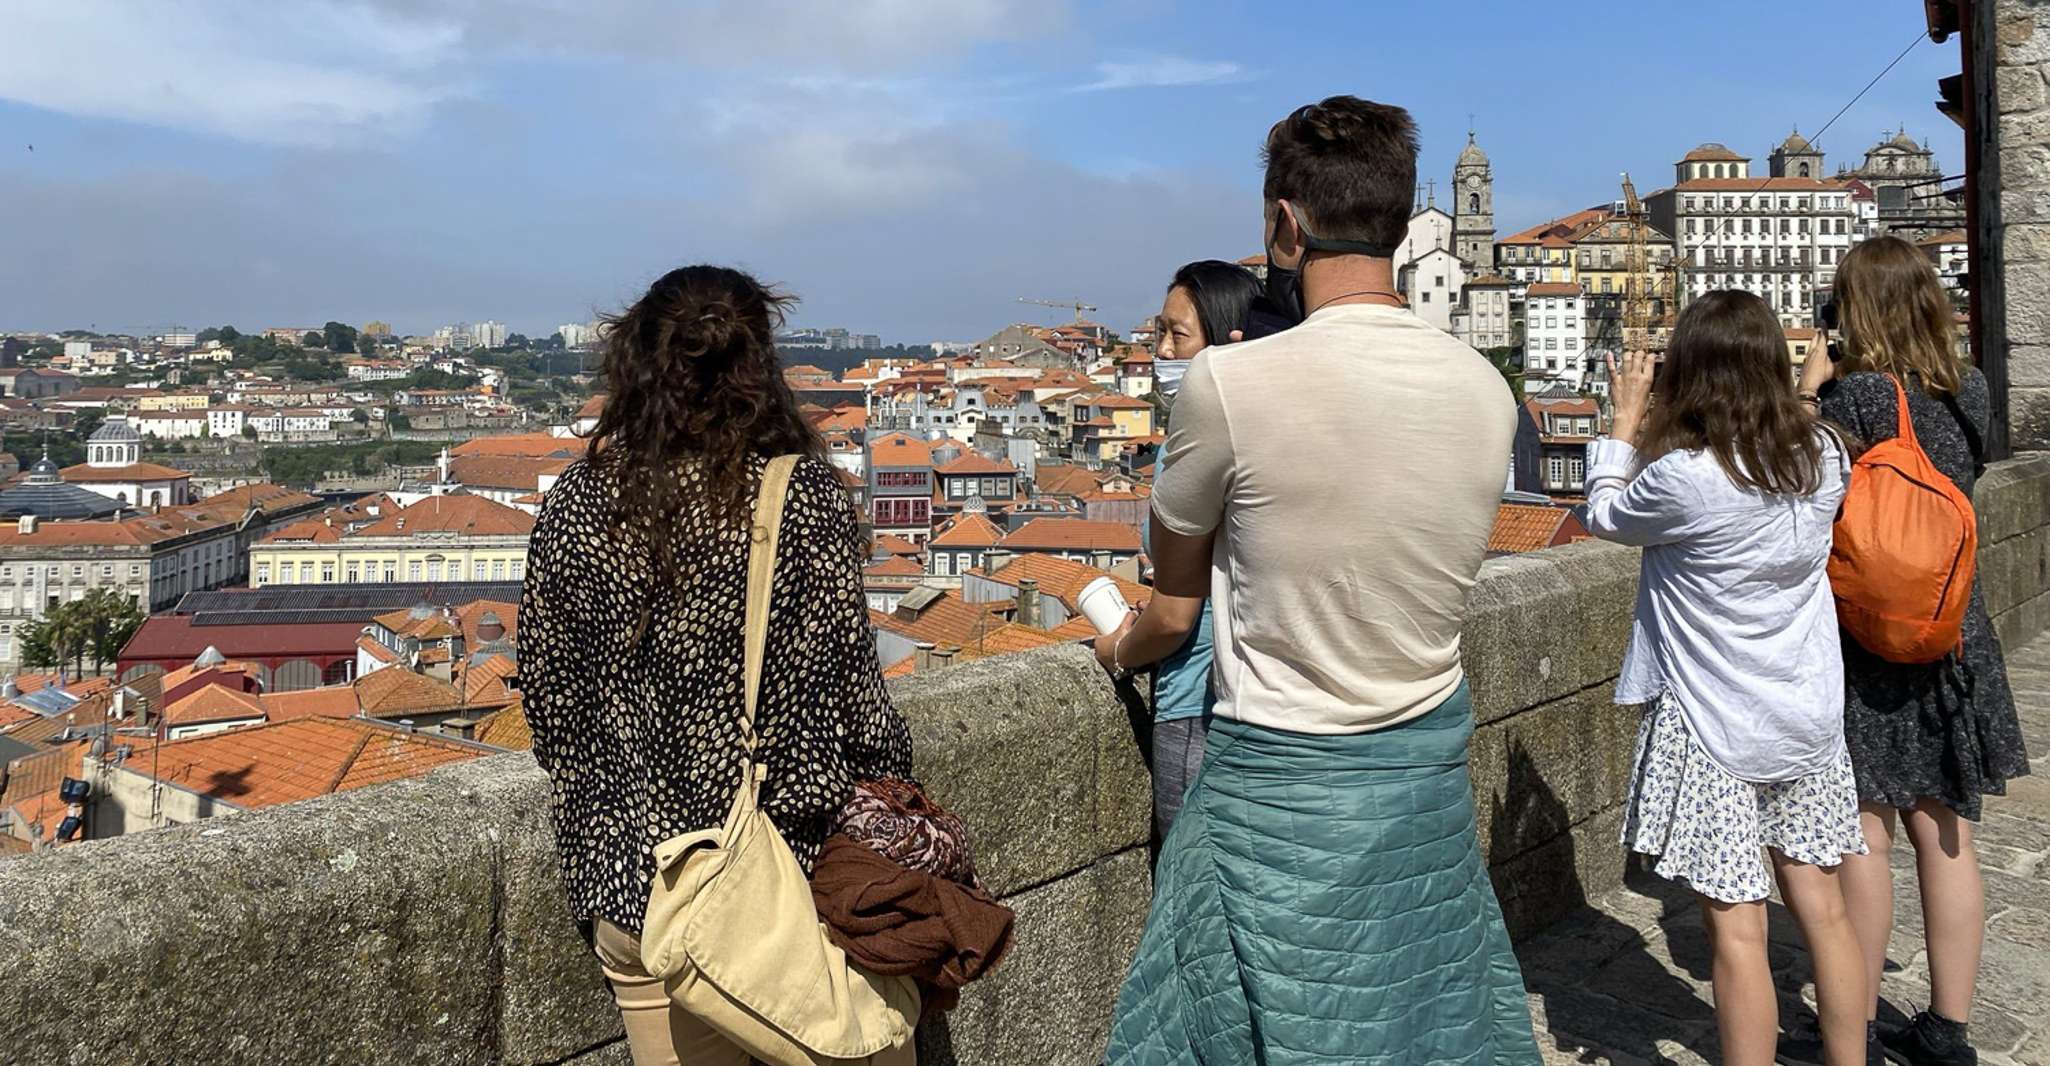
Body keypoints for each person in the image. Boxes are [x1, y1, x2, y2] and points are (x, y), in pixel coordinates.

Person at [1096, 96, 1539, 1065]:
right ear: (1401, 213)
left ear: (1284, 225)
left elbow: (1173, 602)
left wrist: (1116, 646)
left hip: (1273, 808)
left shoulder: (1228, 387)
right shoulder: (1487, 394)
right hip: (1421, 798)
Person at [519, 265, 915, 1066]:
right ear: (758, 367)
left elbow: (551, 702)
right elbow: (857, 706)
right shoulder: (798, 498)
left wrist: (626, 799)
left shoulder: (578, 499)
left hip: (637, 888)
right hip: (778, 882)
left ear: (634, 360)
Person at [1586, 291, 1868, 1066]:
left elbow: (1603, 515)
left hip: (1714, 724)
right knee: (1826, 910)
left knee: (1739, 929)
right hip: (1804, 712)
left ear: (1693, 374)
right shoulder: (1825, 456)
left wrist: (1623, 419)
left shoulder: (1686, 479)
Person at [1799, 235, 2029, 1066]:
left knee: (1866, 834)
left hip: (1866, 639)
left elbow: (1798, 491)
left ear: (1851, 310)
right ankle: (1947, 1032)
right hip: (1952, 628)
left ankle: (1850, 1028)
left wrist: (1809, 391)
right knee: (1947, 831)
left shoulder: (1855, 400)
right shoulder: (1970, 389)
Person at [1140, 259, 1259, 838]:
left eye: (1176, 335)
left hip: (1194, 694)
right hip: (1249, 693)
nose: (1160, 350)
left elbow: (1175, 614)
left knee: (1189, 875)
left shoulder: (1194, 447)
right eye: (1157, 333)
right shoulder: (1260, 434)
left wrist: (1115, 650)